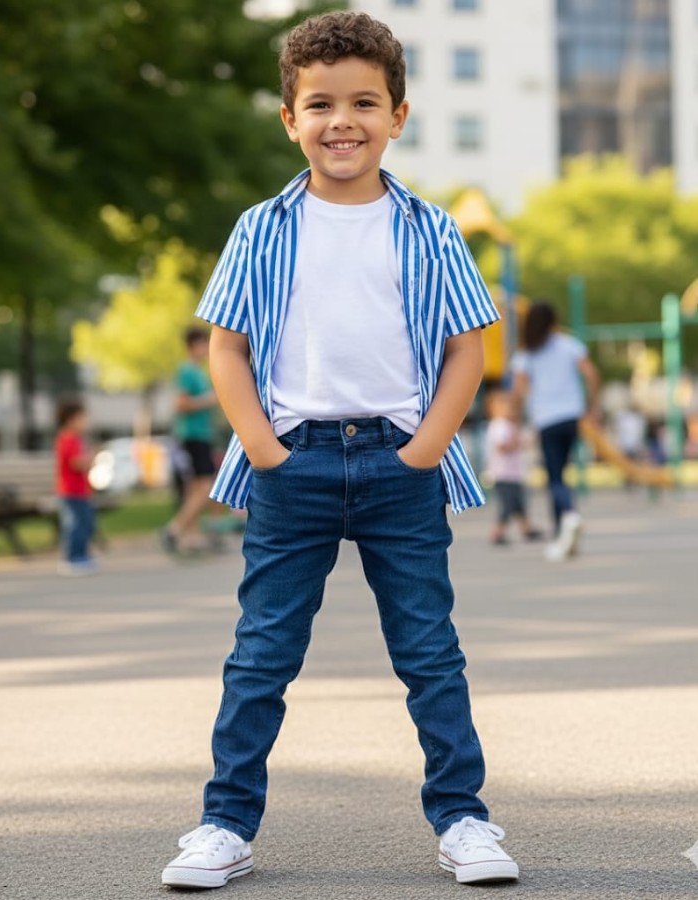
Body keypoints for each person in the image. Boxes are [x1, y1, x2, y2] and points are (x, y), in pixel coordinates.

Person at [161, 11, 518, 889]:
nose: (342, 120)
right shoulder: (262, 226)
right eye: (319, 104)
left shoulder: (431, 229)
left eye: (365, 102)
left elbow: (469, 344)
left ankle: (465, 819)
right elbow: (227, 345)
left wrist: (426, 448)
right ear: (290, 118)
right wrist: (264, 450)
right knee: (262, 655)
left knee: (430, 652)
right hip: (295, 465)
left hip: (402, 464)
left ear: (399, 115)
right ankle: (224, 824)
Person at [511, 301, 600, 562]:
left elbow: (518, 392)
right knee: (561, 472)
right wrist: (592, 407)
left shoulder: (526, 353)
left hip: (546, 420)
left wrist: (516, 420)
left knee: (554, 476)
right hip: (572, 416)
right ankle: (562, 534)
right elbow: (592, 374)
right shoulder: (568, 344)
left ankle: (569, 516)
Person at [160, 326, 219, 554]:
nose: (206, 349)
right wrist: (210, 399)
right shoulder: (186, 370)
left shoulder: (199, 372)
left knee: (195, 488)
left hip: (202, 435)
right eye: (204, 343)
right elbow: (181, 403)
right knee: (204, 486)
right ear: (194, 345)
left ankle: (191, 535)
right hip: (192, 435)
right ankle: (174, 529)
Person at [485, 390, 543, 545]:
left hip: (514, 474)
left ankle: (527, 528)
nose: (509, 411)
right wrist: (517, 443)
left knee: (519, 503)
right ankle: (497, 533)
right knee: (508, 505)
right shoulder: (498, 426)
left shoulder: (510, 425)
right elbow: (502, 446)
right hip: (503, 474)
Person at [54, 398, 97, 575]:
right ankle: (72, 558)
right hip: (71, 491)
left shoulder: (76, 439)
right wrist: (91, 459)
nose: (86, 422)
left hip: (80, 491)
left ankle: (82, 555)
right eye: (82, 418)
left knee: (86, 523)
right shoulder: (68, 439)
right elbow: (77, 463)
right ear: (71, 419)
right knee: (75, 525)